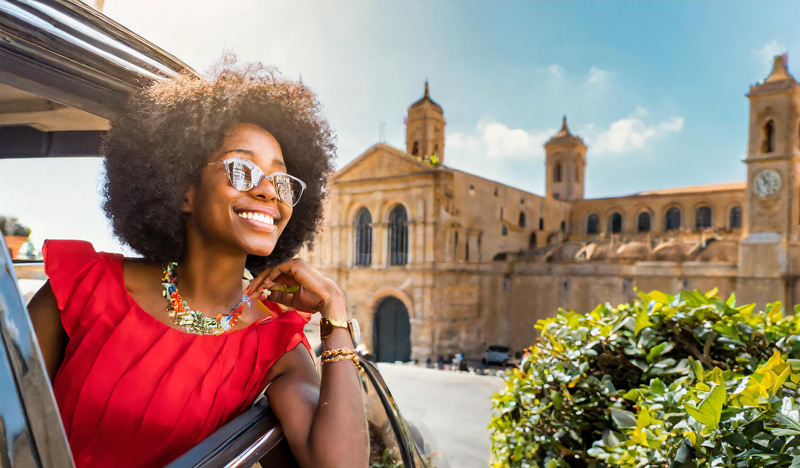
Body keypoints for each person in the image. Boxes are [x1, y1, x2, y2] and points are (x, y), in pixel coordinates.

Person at [27, 58, 369, 468]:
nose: (267, 192)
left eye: (281, 181)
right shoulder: (84, 285)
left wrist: (335, 311)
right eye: (242, 170)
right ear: (183, 190)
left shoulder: (276, 343)